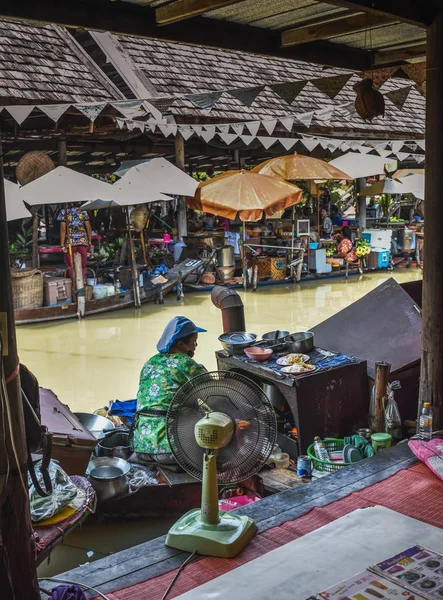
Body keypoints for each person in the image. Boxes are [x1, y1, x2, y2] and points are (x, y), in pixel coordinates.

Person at [132, 316, 207, 465]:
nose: (196, 345)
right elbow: (215, 391)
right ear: (181, 344)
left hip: (140, 445)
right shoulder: (186, 363)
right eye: (193, 341)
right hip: (169, 450)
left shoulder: (151, 362)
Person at [58, 205, 92, 281]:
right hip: (83, 241)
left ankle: (73, 282)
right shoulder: (83, 211)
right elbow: (88, 227)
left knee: (70, 264)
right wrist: (89, 241)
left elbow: (63, 229)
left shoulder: (64, 212)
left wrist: (62, 245)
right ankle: (82, 281)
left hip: (71, 242)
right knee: (83, 264)